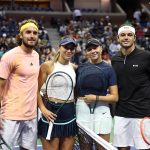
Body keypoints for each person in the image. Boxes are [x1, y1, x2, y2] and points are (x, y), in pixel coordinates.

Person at [0, 19, 40, 150]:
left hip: (31, 116)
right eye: (28, 32)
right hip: (10, 115)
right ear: (20, 35)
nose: (32, 35)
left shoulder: (36, 56)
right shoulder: (9, 56)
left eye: (35, 32)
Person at [111, 24, 150, 150]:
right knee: (122, 148)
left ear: (134, 38)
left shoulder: (146, 57)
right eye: (123, 35)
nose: (126, 37)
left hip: (142, 113)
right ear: (118, 38)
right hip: (121, 113)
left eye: (129, 35)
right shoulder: (115, 59)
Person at [75, 38, 118, 149]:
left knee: (102, 147)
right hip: (82, 111)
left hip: (102, 112)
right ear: (86, 52)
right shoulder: (80, 68)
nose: (93, 51)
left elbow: (115, 97)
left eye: (95, 48)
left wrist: (95, 98)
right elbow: (75, 93)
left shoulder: (109, 69)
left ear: (101, 48)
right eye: (89, 49)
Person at [38, 37, 77, 150]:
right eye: (66, 47)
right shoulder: (47, 66)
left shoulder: (74, 68)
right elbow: (36, 89)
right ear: (59, 48)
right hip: (51, 114)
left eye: (72, 48)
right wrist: (43, 109)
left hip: (69, 114)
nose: (69, 50)